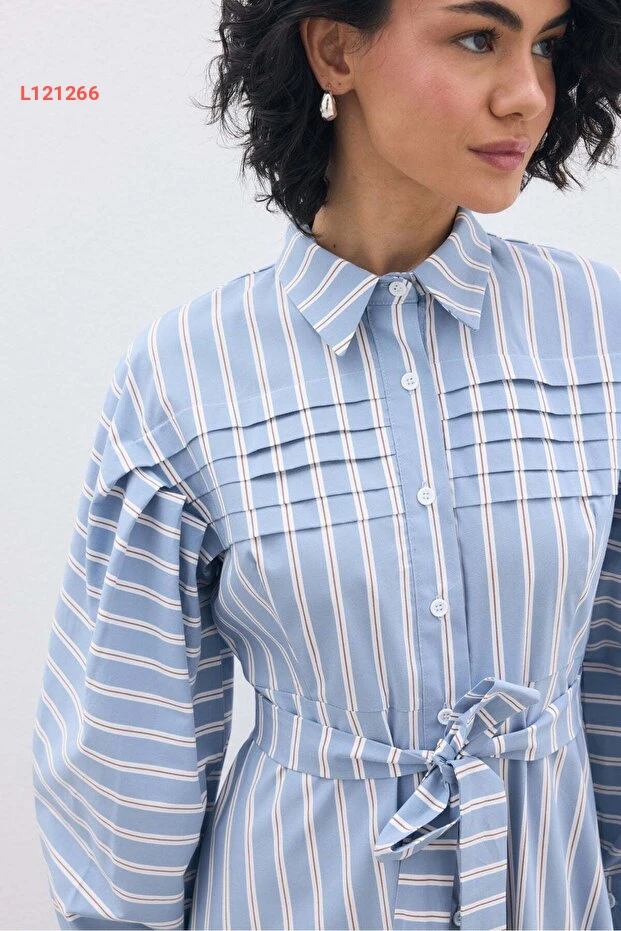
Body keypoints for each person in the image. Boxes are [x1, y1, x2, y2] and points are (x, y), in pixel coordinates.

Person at [32, 0, 621, 928]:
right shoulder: (185, 377)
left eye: (545, 45)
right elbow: (127, 756)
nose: (526, 95)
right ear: (336, 50)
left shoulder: (596, 332)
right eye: (479, 38)